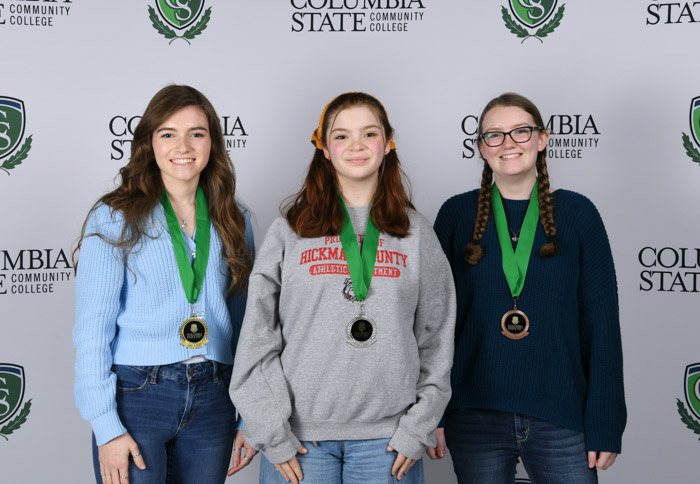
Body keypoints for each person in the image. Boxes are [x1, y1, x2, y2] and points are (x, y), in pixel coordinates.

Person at [229, 92, 456, 484]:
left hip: (387, 442)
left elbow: (438, 338)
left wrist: (417, 427)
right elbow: (257, 338)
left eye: (369, 134)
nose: (356, 146)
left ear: (387, 144)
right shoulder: (290, 231)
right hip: (299, 442)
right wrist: (271, 431)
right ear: (324, 148)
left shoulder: (415, 233)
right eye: (341, 136)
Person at [432, 93, 626, 484]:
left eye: (521, 131)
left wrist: (605, 420)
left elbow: (602, 325)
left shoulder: (578, 214)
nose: (508, 144)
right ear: (481, 148)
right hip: (474, 414)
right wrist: (431, 411)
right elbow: (433, 326)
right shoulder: (456, 215)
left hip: (561, 413)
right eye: (494, 135)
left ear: (542, 139)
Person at [73, 85, 256, 484]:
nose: (183, 145)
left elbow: (247, 330)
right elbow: (92, 332)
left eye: (197, 133)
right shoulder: (114, 216)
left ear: (213, 143)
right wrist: (106, 426)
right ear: (149, 143)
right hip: (137, 397)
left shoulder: (234, 219)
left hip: (214, 397)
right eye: (168, 134)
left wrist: (251, 414)